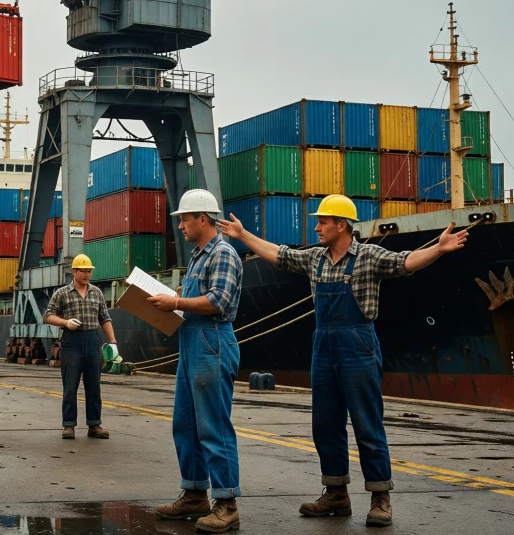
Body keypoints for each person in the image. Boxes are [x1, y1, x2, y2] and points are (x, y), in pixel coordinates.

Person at [218, 194, 469, 528]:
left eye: (323, 221)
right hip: (323, 345)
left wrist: (438, 248)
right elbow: (280, 255)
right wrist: (243, 235)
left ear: (342, 225)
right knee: (325, 423)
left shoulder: (368, 256)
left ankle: (381, 497)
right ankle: (336, 493)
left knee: (367, 423)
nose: (317, 227)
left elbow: (405, 262)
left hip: (358, 345)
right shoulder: (314, 259)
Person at [147, 189, 242, 533]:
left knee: (214, 427)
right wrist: (169, 301)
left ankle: (227, 503)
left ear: (203, 218)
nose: (181, 226)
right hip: (192, 343)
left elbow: (217, 300)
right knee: (184, 425)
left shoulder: (223, 254)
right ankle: (195, 493)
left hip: (212, 340)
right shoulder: (198, 256)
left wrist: (175, 303)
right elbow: (195, 299)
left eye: (184, 219)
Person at [43, 253, 117, 440]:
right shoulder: (62, 293)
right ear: (74, 271)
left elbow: (105, 319)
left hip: (93, 341)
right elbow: (48, 315)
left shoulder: (97, 293)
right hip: (72, 342)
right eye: (83, 271)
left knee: (94, 386)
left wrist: (113, 343)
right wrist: (65, 323)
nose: (87, 274)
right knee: (70, 386)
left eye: (89, 271)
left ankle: (94, 425)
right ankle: (68, 426)